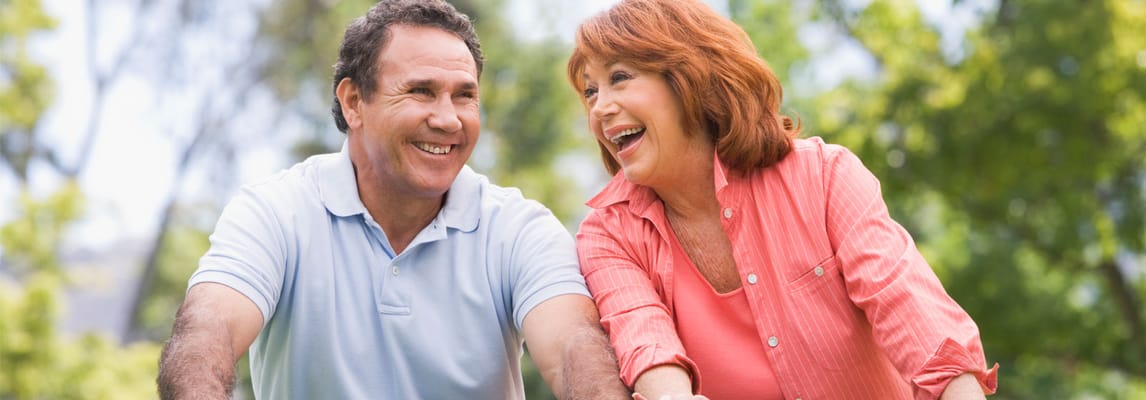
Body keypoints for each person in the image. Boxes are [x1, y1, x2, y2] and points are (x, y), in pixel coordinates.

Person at [156, 1, 629, 399]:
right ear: (354, 102)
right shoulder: (276, 210)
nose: (448, 119)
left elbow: (574, 350)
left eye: (464, 96)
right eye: (421, 91)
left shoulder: (519, 228)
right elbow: (206, 333)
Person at [564, 0, 999, 399]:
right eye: (590, 92)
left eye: (619, 78)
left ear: (688, 78)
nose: (600, 108)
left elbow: (915, 316)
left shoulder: (824, 176)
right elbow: (645, 341)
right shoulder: (607, 235)